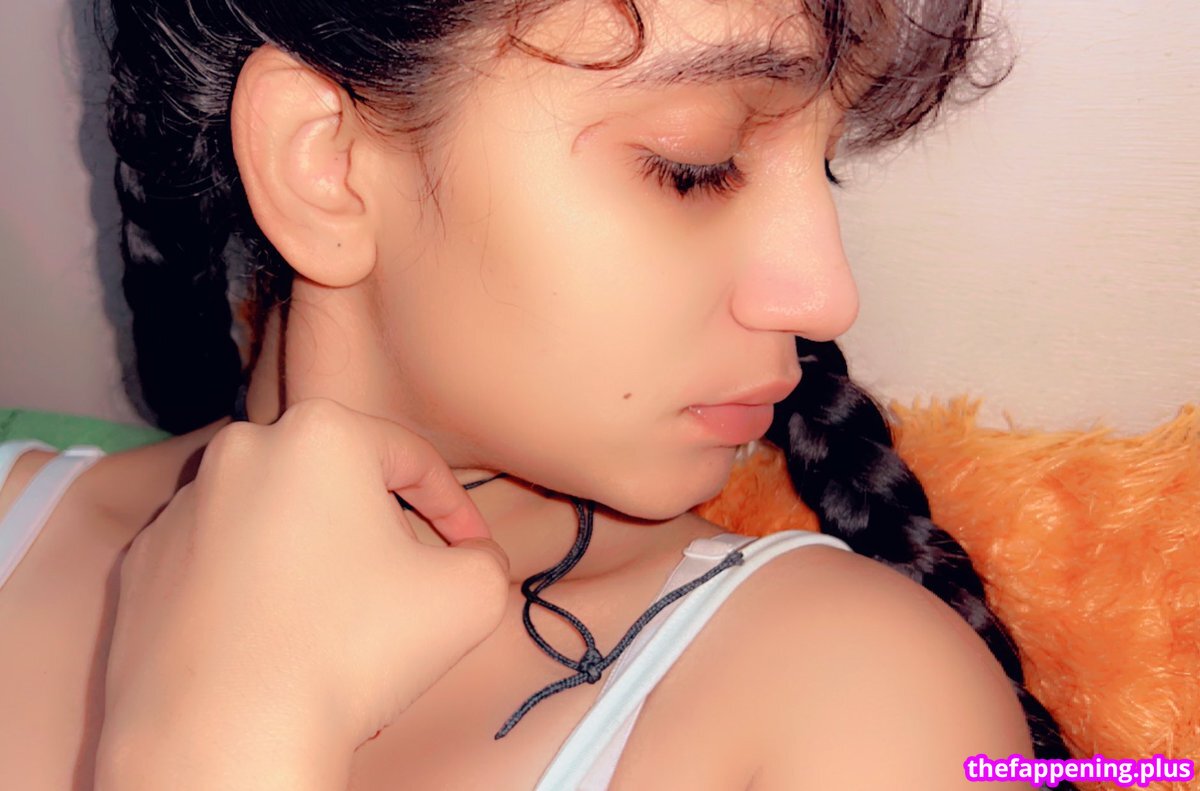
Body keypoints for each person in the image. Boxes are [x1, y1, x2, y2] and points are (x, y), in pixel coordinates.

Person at [0, 0, 1079, 787]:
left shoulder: (858, 700)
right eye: (695, 164)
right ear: (323, 164)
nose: (826, 294)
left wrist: (214, 746)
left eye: (825, 163)